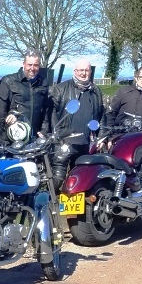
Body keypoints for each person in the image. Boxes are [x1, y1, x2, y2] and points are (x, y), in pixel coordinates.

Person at [45, 59, 104, 189]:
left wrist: (101, 137)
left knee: (80, 181)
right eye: (80, 70)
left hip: (85, 144)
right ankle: (49, 205)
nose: (83, 73)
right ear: (75, 71)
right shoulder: (60, 89)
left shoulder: (95, 91)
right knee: (57, 179)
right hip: (63, 143)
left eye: (86, 70)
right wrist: (56, 134)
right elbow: (50, 114)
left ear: (90, 71)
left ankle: (76, 208)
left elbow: (101, 115)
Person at [102, 64, 142, 133]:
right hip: (122, 136)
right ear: (136, 77)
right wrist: (109, 137)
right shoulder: (123, 92)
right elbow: (110, 114)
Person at [1, 49, 48, 135]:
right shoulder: (9, 81)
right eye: (29, 65)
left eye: (36, 65)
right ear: (23, 64)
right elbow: (1, 107)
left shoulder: (43, 82)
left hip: (35, 133)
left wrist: (44, 131)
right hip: (14, 132)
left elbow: (45, 109)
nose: (32, 68)